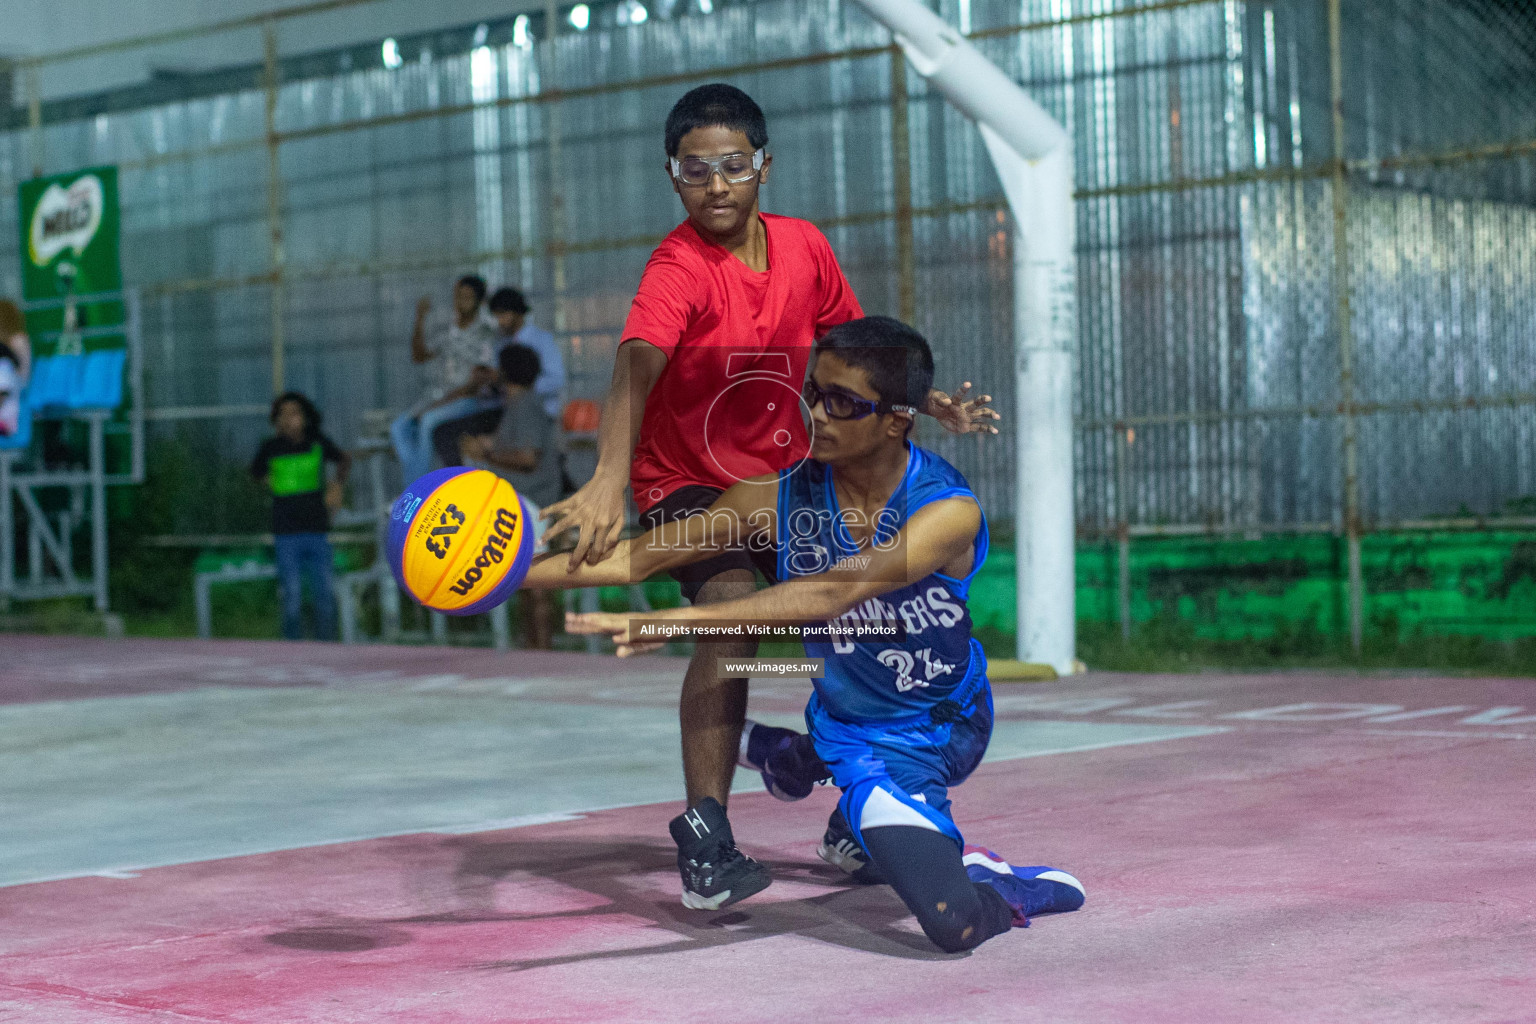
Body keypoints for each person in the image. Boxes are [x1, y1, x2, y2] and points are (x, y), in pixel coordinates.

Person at [540, 83, 999, 909]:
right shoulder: (677, 267)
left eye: (732, 166)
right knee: (734, 612)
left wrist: (926, 404)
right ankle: (706, 833)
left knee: (860, 625)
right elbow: (634, 366)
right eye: (695, 169)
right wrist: (607, 478)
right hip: (688, 479)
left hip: (790, 477)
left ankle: (821, 773)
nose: (716, 184)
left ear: (763, 167)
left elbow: (859, 353)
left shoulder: (805, 249)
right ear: (672, 177)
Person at [522, 317, 1084, 951]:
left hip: (945, 724)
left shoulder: (946, 511)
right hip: (858, 735)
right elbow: (639, 556)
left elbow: (831, 590)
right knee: (940, 917)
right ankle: (824, 774)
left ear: (897, 419)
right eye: (812, 393)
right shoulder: (773, 496)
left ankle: (998, 880)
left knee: (943, 901)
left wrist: (675, 622)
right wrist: (505, 576)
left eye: (841, 402)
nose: (815, 413)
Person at [459, 344, 561, 649]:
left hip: (534, 504)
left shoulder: (524, 404)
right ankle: (534, 650)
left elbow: (529, 458)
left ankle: (542, 652)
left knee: (536, 585)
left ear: (506, 371)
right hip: (527, 503)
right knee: (525, 583)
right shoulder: (520, 404)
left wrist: (486, 454)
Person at [428, 286, 567, 471]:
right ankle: (460, 483)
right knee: (446, 433)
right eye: (496, 316)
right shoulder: (500, 342)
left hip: (536, 411)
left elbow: (557, 379)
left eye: (503, 314)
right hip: (505, 410)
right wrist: (490, 380)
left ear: (518, 312)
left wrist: (520, 388)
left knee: (526, 457)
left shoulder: (541, 340)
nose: (500, 321)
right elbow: (500, 380)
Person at [252, 392, 351, 641]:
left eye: (295, 414)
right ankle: (292, 651)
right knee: (292, 597)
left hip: (318, 529)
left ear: (305, 417)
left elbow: (343, 460)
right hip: (285, 532)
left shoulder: (316, 443)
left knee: (324, 595)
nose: (290, 420)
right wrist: (269, 483)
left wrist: (336, 488)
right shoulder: (270, 448)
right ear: (277, 420)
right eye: (283, 415)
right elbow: (255, 472)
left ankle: (327, 647)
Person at [391, 275, 498, 483]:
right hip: (438, 397)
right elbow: (419, 356)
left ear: (479, 301)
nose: (461, 302)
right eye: (458, 296)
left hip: (468, 401)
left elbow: (474, 386)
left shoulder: (485, 333)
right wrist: (420, 318)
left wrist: (434, 407)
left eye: (467, 297)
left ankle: (421, 486)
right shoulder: (447, 329)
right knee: (399, 427)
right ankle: (414, 483)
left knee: (428, 422)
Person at [0, 300, 30, 440]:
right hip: (7, 385)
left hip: (16, 384)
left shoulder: (19, 339)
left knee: (4, 370)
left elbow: (20, 371)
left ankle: (6, 423)